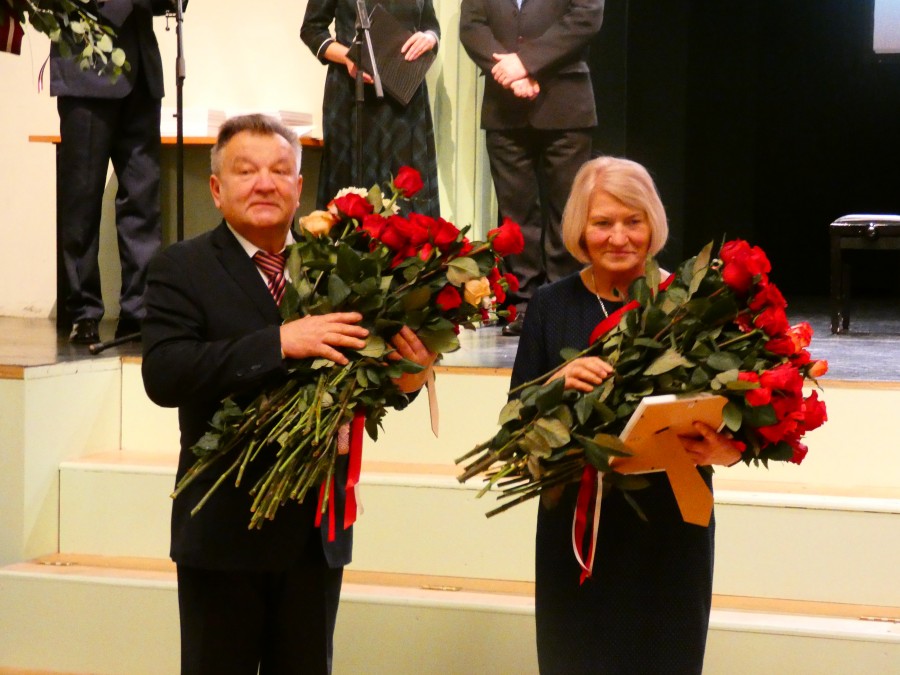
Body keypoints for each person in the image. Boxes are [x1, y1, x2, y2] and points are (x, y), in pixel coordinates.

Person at [141, 114, 435, 674]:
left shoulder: (340, 267)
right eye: (246, 171)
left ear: (300, 187)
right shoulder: (181, 267)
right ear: (216, 187)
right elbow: (165, 374)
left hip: (314, 534)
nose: (265, 183)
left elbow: (362, 385)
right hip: (224, 529)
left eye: (281, 171)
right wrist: (278, 341)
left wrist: (409, 381)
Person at [510, 157, 742, 674]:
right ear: (579, 229)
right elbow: (514, 422)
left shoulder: (690, 301)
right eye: (603, 222)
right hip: (577, 528)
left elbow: (737, 421)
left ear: (652, 224)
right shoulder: (550, 304)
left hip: (672, 525)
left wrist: (726, 450)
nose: (619, 236)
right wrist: (554, 386)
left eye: (632, 221)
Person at [460, 0, 605, 336]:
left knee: (566, 211)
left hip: (565, 100)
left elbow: (586, 17)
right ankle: (524, 305)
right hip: (503, 107)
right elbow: (472, 26)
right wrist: (510, 75)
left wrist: (526, 64)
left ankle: (563, 304)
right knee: (515, 213)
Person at [50, 0, 179, 344]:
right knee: (82, 200)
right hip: (86, 72)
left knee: (142, 200)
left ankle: (138, 310)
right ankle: (83, 310)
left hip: (142, 76)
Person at [300, 0, 441, 216]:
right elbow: (311, 29)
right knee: (351, 195)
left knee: (406, 197)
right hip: (352, 95)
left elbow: (430, 25)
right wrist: (348, 57)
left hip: (405, 96)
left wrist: (429, 38)